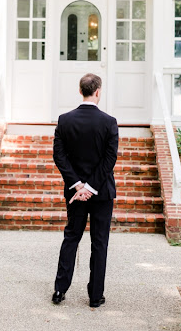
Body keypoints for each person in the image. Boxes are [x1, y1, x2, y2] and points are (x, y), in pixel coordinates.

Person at [51, 73, 119, 308]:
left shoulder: (64, 120)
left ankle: (59, 290)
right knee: (99, 243)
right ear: (97, 91)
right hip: (102, 193)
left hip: (75, 194)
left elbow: (59, 157)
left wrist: (78, 185)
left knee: (71, 238)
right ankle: (95, 296)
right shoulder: (109, 122)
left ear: (81, 91)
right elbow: (109, 161)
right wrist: (91, 187)